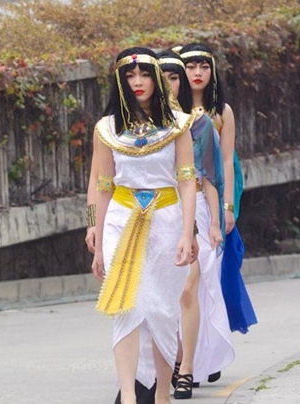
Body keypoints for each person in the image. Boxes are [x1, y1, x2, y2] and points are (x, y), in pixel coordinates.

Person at [91, 46, 196, 404]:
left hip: (166, 220)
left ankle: (162, 395)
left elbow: (186, 181)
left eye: (145, 74)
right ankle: (128, 396)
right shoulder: (107, 129)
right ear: (120, 81)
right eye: (130, 75)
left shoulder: (179, 124)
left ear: (156, 78)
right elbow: (102, 187)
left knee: (162, 311)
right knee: (127, 308)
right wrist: (96, 237)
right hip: (120, 221)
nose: (138, 81)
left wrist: (188, 232)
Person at [158, 49, 234, 400]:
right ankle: (164, 362)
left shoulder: (200, 123)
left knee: (189, 287)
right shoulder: (139, 127)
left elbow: (210, 176)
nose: (169, 84)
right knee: (162, 293)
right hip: (155, 212)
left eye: (175, 77)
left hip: (196, 211)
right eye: (163, 77)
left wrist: (217, 220)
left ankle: (186, 367)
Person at [179, 40, 257, 366]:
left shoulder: (222, 111)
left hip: (214, 194)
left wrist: (226, 207)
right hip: (177, 198)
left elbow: (226, 161)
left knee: (212, 275)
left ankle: (209, 352)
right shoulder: (172, 111)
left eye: (204, 67)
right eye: (190, 67)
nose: (197, 73)